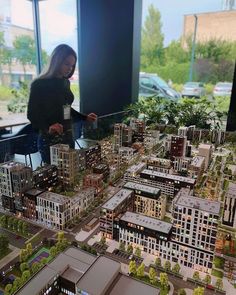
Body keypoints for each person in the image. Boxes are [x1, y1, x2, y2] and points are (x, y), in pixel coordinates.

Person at [27, 44, 97, 164]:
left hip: (68, 136)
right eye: (67, 64)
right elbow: (32, 114)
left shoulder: (65, 82)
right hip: (50, 139)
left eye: (72, 65)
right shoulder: (39, 84)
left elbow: (66, 109)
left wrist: (84, 117)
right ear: (56, 62)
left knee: (69, 173)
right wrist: (48, 127)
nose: (70, 68)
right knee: (54, 177)